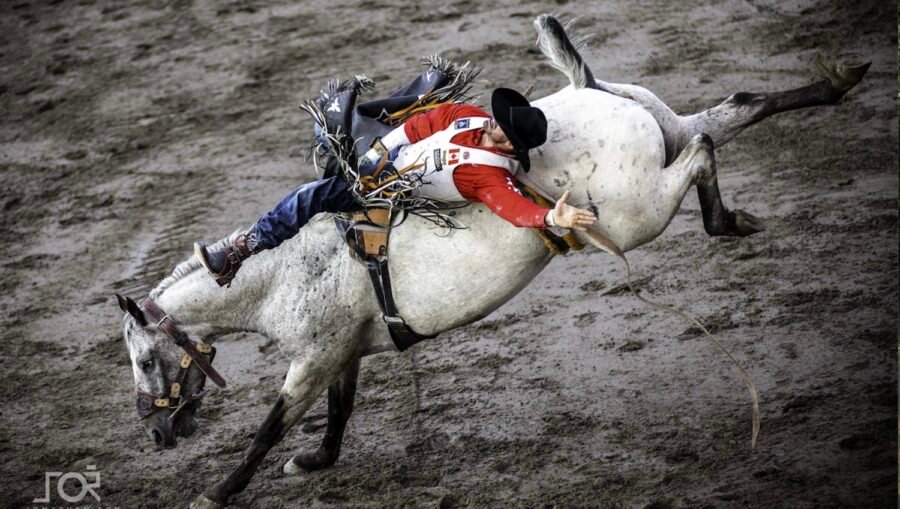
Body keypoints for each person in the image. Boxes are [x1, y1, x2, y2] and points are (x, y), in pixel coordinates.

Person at [194, 88, 597, 286]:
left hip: (392, 189)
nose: (494, 122)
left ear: (511, 144)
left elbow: (510, 207)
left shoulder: (488, 175)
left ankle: (237, 253)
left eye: (503, 127)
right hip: (385, 158)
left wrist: (548, 216)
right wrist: (382, 150)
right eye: (500, 119)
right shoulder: (469, 117)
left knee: (311, 196)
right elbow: (422, 124)